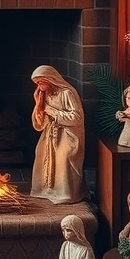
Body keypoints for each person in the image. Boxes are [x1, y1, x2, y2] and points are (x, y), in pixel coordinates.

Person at [30, 65, 86, 205]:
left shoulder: (67, 93)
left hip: (67, 133)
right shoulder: (45, 94)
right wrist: (38, 104)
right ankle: (45, 191)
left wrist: (52, 112)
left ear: (50, 80)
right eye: (37, 83)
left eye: (41, 82)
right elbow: (40, 120)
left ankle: (66, 193)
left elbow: (77, 117)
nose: (39, 85)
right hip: (51, 132)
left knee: (64, 156)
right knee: (40, 153)